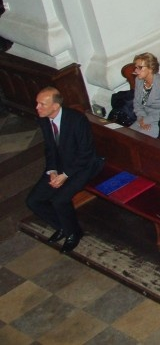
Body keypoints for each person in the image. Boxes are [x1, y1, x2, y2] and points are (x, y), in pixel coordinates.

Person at [26, 87, 104, 253]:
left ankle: (74, 233)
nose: (37, 107)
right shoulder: (44, 119)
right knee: (33, 201)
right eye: (37, 103)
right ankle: (63, 227)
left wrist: (65, 175)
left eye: (42, 104)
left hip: (83, 167)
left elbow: (86, 154)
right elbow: (50, 149)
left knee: (59, 200)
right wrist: (52, 170)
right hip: (60, 167)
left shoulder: (77, 120)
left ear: (55, 106)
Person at [129, 52, 160, 138]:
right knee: (126, 136)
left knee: (139, 139)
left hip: (158, 120)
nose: (136, 71)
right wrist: (141, 118)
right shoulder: (138, 81)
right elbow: (136, 103)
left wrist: (147, 120)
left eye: (140, 68)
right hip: (142, 118)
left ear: (151, 68)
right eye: (136, 67)